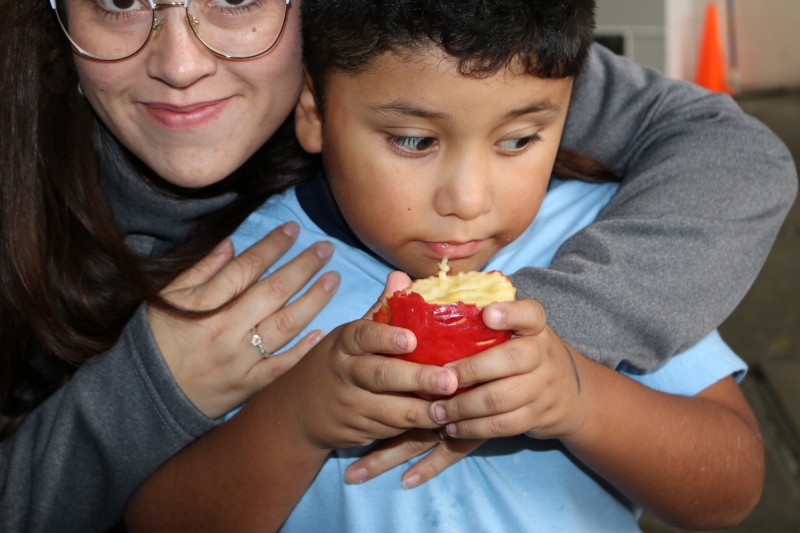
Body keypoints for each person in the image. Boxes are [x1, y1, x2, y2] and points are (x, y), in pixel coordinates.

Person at [0, 0, 794, 531]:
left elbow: (730, 484)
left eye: (519, 140)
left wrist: (579, 393)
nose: (468, 198)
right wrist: (297, 418)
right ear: (316, 111)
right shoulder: (244, 282)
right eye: (413, 141)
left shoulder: (601, 239)